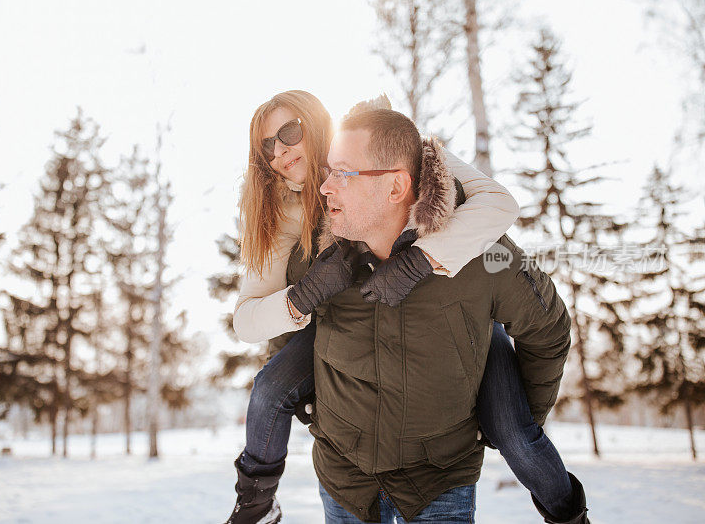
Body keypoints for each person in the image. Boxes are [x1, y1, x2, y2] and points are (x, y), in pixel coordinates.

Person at [224, 91, 585, 524]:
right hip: (347, 471)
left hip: (441, 462)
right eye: (267, 145)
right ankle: (255, 504)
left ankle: (568, 513)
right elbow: (257, 319)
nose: (279, 150)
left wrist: (425, 257)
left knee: (516, 433)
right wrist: (303, 303)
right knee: (269, 389)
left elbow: (499, 205)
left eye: (289, 132)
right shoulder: (282, 215)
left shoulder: (387, 147)